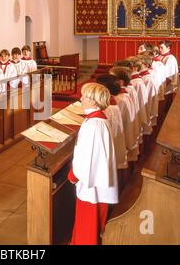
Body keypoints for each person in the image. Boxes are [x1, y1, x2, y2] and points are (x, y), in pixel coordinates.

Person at [68, 83, 118, 245]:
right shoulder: (97, 119)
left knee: (87, 228)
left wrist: (74, 175)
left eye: (85, 97)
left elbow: (86, 157)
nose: (81, 99)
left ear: (94, 101)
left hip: (91, 186)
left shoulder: (94, 125)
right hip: (97, 182)